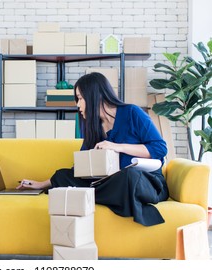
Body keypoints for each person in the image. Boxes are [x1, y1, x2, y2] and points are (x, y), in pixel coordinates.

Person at [17, 72, 169, 226]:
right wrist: (41, 184)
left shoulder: (131, 112)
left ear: (94, 96)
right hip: (109, 185)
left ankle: (86, 195)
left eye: (80, 98)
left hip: (145, 182)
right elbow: (80, 169)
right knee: (64, 175)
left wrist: (117, 147)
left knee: (128, 176)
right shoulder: (93, 126)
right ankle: (108, 197)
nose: (78, 105)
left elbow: (160, 148)